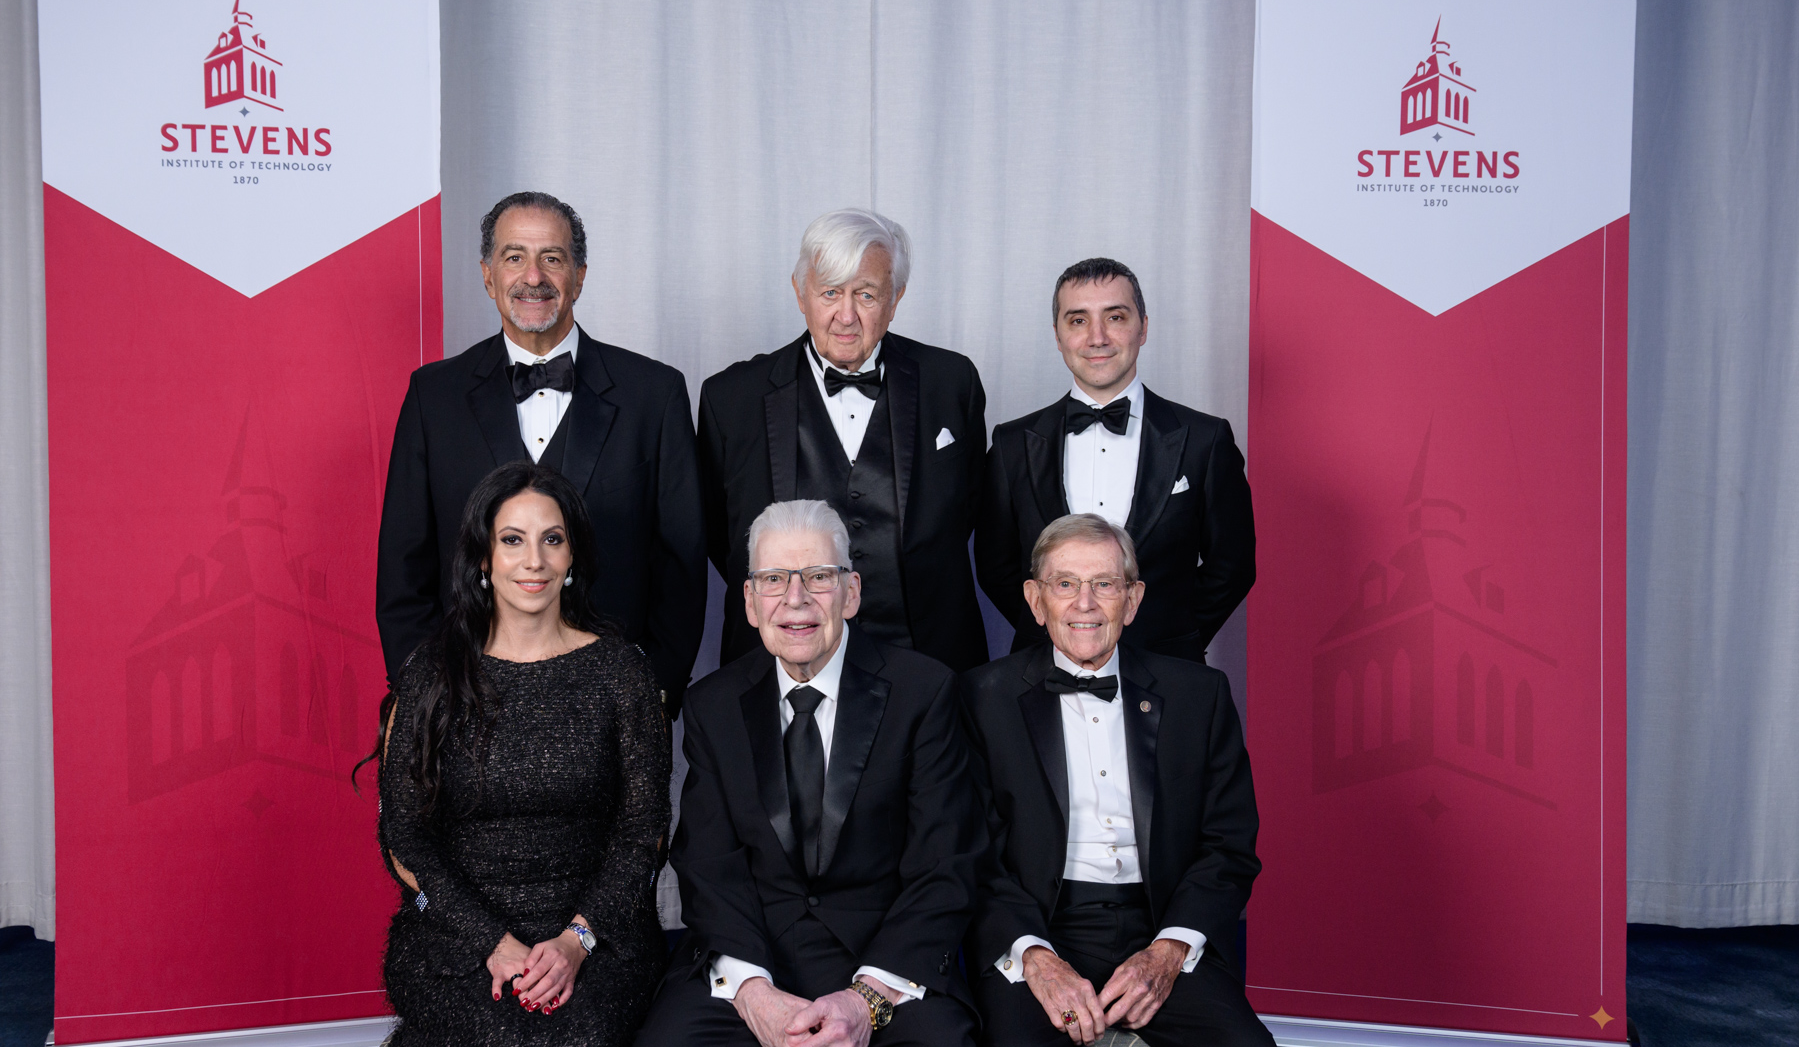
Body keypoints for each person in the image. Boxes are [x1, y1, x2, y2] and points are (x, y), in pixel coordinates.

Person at [619, 500, 987, 1047]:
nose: (796, 598)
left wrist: (865, 999)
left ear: (851, 592)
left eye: (818, 576)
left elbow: (945, 863)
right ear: (750, 602)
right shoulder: (712, 704)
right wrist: (753, 993)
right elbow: (708, 863)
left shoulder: (924, 690)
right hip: (753, 953)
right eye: (773, 580)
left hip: (886, 960)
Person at [369, 461, 670, 1047]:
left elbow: (644, 833)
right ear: (483, 556)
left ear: (573, 555)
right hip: (456, 930)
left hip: (599, 930)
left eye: (552, 539)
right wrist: (493, 943)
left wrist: (576, 940)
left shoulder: (621, 671)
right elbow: (405, 841)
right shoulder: (432, 672)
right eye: (512, 539)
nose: (533, 560)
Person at [961, 513, 1284, 1047]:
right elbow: (969, 853)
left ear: (1132, 600)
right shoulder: (980, 698)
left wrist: (1168, 950)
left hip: (1162, 921)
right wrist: (1034, 955)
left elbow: (1228, 846)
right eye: (1065, 584)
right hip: (1037, 923)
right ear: (1034, 598)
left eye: (1105, 585)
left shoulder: (1200, 694)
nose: (1085, 603)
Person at [377, 191, 706, 711]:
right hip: (467, 706)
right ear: (488, 276)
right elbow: (403, 570)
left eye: (552, 258)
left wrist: (650, 695)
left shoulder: (655, 394)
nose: (533, 277)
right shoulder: (432, 398)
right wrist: (428, 696)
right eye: (514, 257)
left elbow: (682, 570)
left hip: (611, 709)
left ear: (579, 275)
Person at [697, 208, 990, 673]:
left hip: (930, 660)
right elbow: (719, 534)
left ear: (895, 298)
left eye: (866, 294)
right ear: (800, 293)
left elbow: (972, 509)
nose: (846, 315)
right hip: (779, 664)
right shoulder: (731, 397)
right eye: (829, 292)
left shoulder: (951, 381)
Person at [975, 257, 1255, 665]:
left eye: (1116, 317)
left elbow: (1232, 565)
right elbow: (995, 568)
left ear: (1143, 327)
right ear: (1057, 335)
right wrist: (1062, 631)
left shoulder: (1205, 440)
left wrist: (1172, 637)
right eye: (1078, 320)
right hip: (1042, 671)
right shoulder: (1011, 443)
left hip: (1170, 672)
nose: (1098, 337)